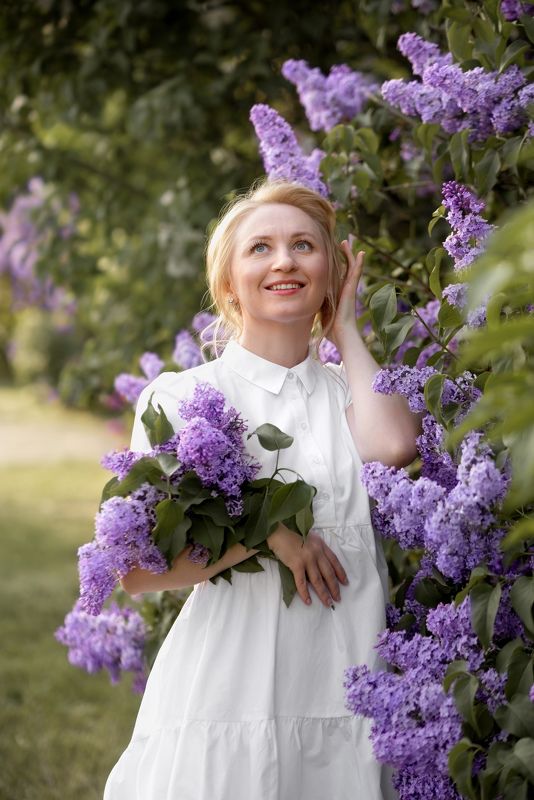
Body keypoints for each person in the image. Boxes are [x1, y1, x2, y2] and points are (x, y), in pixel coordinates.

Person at [103, 179, 421, 800]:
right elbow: (137, 571)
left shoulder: (350, 393)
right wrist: (267, 534)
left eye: (304, 246)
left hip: (347, 686)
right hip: (233, 693)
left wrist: (345, 327)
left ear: (330, 272)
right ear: (229, 284)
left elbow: (394, 445)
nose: (284, 261)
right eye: (260, 248)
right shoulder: (181, 400)